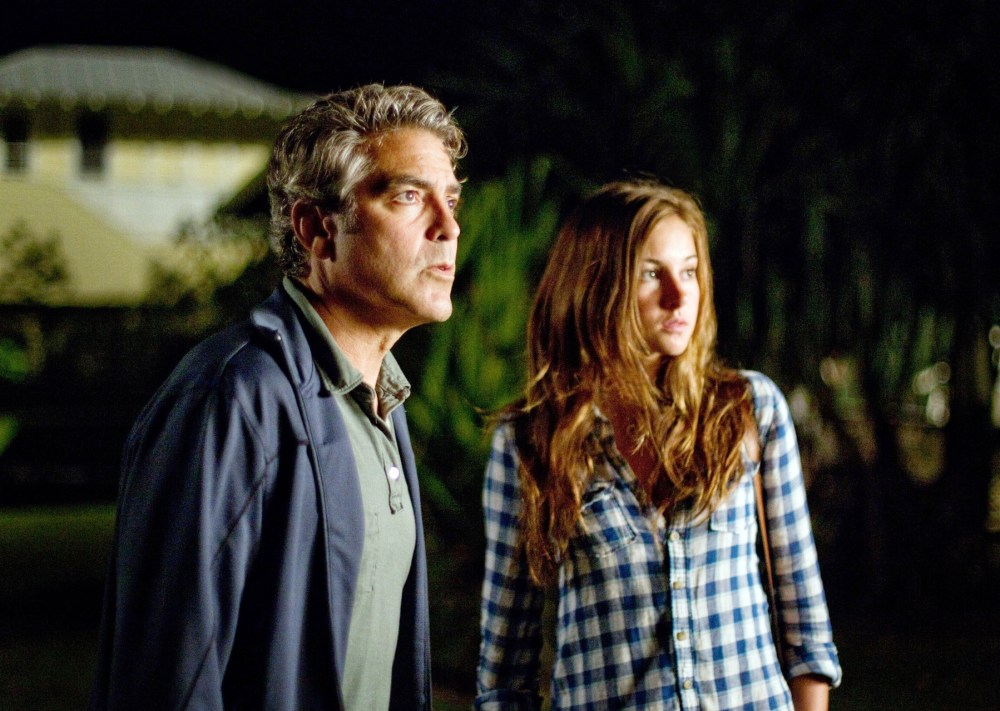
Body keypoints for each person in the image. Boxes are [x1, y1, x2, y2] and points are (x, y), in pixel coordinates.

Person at [91, 83, 466, 710]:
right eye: (408, 196)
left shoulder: (383, 399)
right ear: (317, 228)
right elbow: (169, 678)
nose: (448, 227)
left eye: (451, 200)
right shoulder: (231, 399)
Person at [476, 180, 841, 710]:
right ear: (596, 284)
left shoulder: (749, 409)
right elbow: (506, 668)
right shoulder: (529, 442)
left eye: (689, 271)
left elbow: (805, 625)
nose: (679, 295)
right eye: (652, 274)